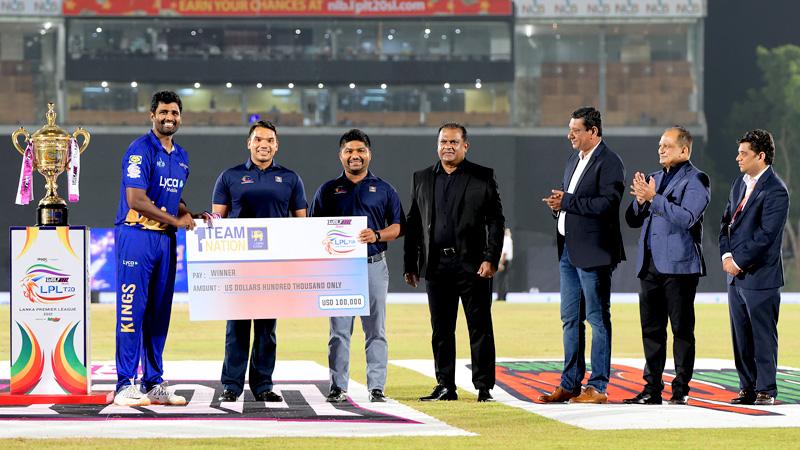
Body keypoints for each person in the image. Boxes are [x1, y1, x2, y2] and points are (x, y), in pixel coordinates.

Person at [113, 90, 209, 406]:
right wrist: (174, 219)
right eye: (164, 112)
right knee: (132, 310)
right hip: (137, 237)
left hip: (165, 240)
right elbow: (136, 200)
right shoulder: (139, 150)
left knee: (159, 313)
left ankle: (153, 382)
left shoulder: (181, 156)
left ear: (181, 117)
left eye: (175, 113)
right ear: (152, 115)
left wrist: (187, 215)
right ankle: (125, 384)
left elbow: (175, 200)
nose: (169, 117)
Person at [404, 123, 504, 403]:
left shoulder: (483, 176)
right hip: (436, 266)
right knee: (441, 329)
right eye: (443, 142)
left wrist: (490, 258)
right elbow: (413, 224)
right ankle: (445, 385)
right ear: (437, 144)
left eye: (454, 142)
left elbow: (496, 220)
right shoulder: (421, 177)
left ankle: (484, 388)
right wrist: (410, 263)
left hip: (473, 266)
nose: (448, 146)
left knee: (480, 326)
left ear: (465, 145)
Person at [212, 120, 308, 403]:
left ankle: (263, 384)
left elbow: (301, 223)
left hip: (274, 265)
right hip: (240, 264)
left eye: (269, 140)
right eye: (258, 140)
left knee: (267, 329)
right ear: (249, 143)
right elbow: (218, 221)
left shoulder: (291, 178)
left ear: (276, 145)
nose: (264, 144)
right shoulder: (229, 177)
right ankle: (231, 384)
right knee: (237, 327)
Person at [310, 129, 404, 403]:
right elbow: (313, 228)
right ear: (341, 155)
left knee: (376, 329)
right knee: (339, 331)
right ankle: (338, 386)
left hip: (373, 265)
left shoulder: (384, 189)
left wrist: (375, 235)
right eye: (349, 151)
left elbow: (398, 227)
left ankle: (376, 387)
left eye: (360, 150)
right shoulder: (328, 190)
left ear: (369, 154)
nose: (355, 156)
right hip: (339, 269)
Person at [540, 106, 625, 404]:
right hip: (568, 251)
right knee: (570, 320)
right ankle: (570, 383)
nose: (570, 135)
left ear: (593, 132)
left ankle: (598, 387)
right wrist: (558, 207)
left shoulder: (610, 162)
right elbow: (573, 203)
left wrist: (569, 201)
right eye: (570, 129)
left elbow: (607, 205)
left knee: (597, 319)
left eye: (576, 130)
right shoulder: (573, 161)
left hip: (595, 253)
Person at [623, 126, 710, 405]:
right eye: (660, 145)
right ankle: (651, 389)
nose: (661, 149)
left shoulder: (697, 179)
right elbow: (633, 220)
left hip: (680, 267)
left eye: (668, 145)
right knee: (651, 330)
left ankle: (681, 389)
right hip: (650, 266)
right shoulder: (654, 178)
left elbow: (687, 218)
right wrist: (639, 202)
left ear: (684, 150)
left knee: (681, 330)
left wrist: (653, 198)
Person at [719, 129, 789, 406]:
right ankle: (747, 388)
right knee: (741, 337)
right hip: (736, 277)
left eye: (743, 153)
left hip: (761, 276)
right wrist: (726, 254)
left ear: (761, 156)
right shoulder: (739, 183)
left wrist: (737, 261)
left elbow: (766, 236)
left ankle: (766, 390)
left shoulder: (776, 190)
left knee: (762, 335)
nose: (738, 158)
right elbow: (726, 223)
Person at [495, 228, 514, 301]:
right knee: (504, 279)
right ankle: (503, 296)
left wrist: (500, 263)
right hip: (507, 261)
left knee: (500, 279)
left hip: (505, 261)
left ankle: (500, 296)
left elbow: (504, 253)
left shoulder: (506, 240)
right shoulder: (509, 240)